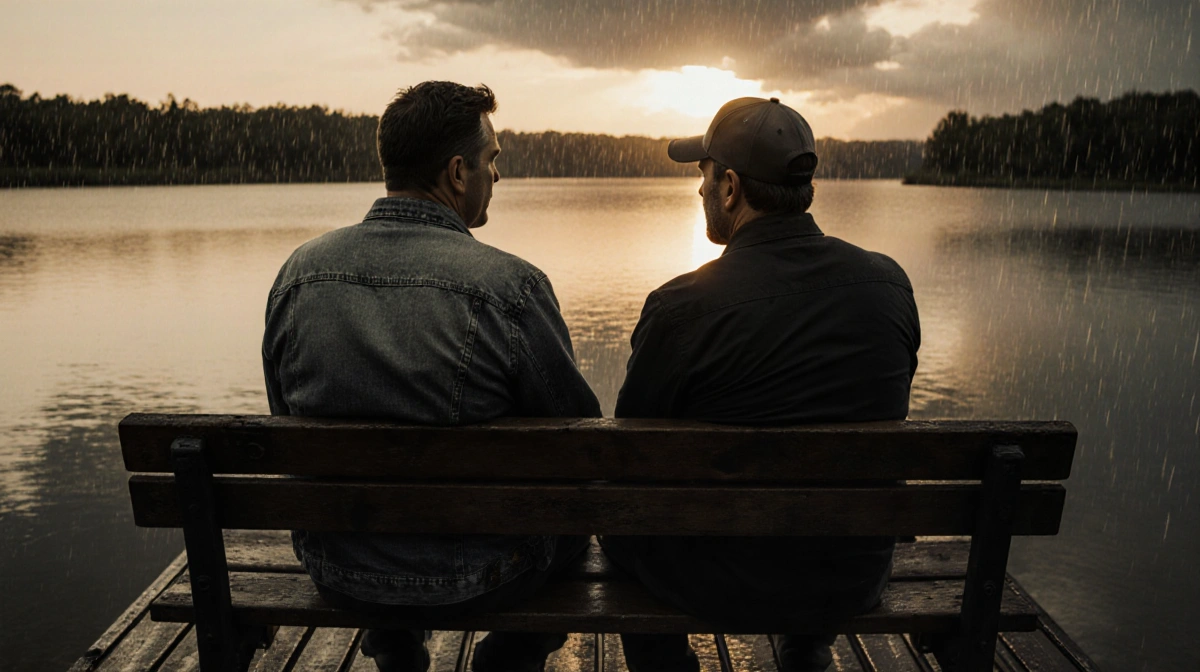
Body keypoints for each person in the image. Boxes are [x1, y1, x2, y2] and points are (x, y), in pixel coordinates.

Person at [261, 81, 601, 672]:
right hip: (481, 576)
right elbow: (578, 438)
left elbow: (284, 418)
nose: (498, 175)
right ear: (457, 172)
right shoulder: (509, 287)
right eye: (492, 159)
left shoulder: (299, 275)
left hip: (340, 569)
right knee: (573, 530)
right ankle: (509, 659)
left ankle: (395, 648)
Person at [602, 97, 921, 672]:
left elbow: (631, 456)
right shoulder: (888, 286)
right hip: (851, 573)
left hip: (722, 579)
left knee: (622, 522)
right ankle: (805, 649)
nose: (698, 191)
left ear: (728, 187)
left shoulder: (680, 308)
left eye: (702, 176)